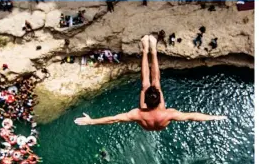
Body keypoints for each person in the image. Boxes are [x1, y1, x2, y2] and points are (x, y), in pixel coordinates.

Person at [74, 35, 227, 131]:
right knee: (156, 84)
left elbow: (113, 119)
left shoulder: (137, 114)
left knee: (146, 85)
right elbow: (192, 116)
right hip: (160, 122)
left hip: (145, 123)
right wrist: (214, 117)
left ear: (145, 102)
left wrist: (91, 121)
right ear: (160, 100)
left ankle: (146, 50)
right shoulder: (168, 114)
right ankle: (152, 50)